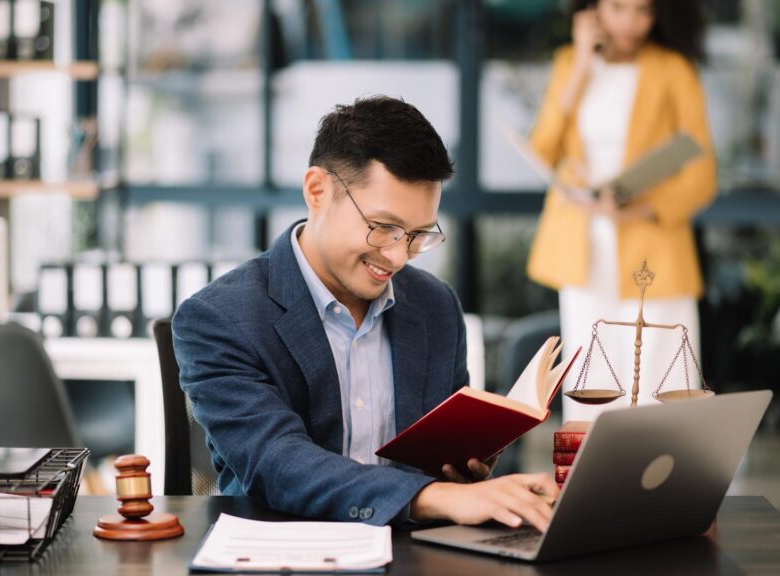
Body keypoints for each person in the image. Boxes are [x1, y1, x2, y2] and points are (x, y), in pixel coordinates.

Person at [173, 96, 557, 530]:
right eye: (383, 228)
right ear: (318, 191)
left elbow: (446, 464)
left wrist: (469, 474)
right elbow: (276, 464)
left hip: (414, 551)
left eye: (417, 235)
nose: (397, 256)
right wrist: (432, 496)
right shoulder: (219, 317)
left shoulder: (435, 306)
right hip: (284, 551)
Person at [525, 0, 716, 422]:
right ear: (592, 9)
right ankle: (595, 484)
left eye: (644, 11)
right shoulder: (569, 65)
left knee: (661, 381)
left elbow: (702, 176)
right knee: (592, 381)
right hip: (583, 247)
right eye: (617, 8)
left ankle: (666, 486)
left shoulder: (674, 70)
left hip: (654, 246)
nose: (630, 22)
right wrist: (579, 67)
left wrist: (644, 209)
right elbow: (542, 151)